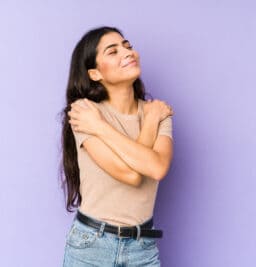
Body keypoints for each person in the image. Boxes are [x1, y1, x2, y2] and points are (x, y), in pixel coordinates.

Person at [60, 26, 174, 266]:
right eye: (112, 51)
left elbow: (157, 168)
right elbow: (131, 175)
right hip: (91, 246)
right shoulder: (85, 113)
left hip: (143, 248)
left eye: (128, 46)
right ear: (94, 74)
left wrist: (102, 127)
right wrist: (100, 124)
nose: (127, 52)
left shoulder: (157, 112)